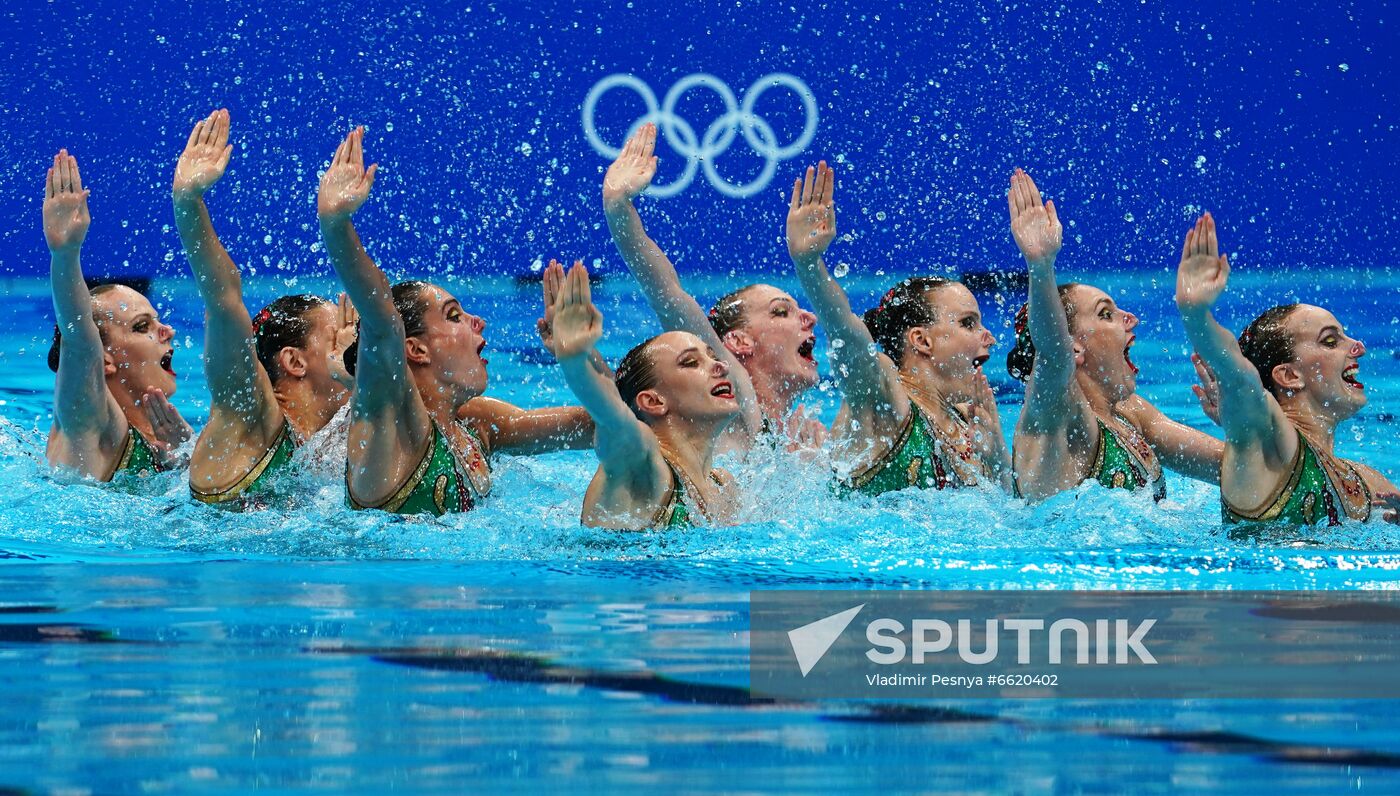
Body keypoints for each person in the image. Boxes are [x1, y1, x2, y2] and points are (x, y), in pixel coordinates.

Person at [316, 128, 592, 516]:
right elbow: (382, 320)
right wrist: (335, 225)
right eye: (454, 316)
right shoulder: (390, 423)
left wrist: (580, 356)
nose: (478, 322)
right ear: (414, 348)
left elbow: (601, 425)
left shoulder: (476, 424)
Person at [787, 161, 1009, 495]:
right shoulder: (884, 400)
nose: (988, 335)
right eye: (968, 323)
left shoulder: (971, 423)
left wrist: (996, 459)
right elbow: (847, 335)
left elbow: (1007, 515)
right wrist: (809, 265)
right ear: (921, 340)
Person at [173, 109, 357, 507]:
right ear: (294, 360)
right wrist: (188, 200)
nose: (353, 344)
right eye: (338, 336)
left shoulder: (334, 443)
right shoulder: (248, 415)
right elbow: (224, 301)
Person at [603, 123, 823, 453]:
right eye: (781, 311)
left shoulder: (795, 440)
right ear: (738, 342)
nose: (809, 317)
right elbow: (668, 295)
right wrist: (618, 209)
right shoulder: (726, 412)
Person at [1006, 169, 1222, 501]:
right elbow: (1052, 351)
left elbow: (1232, 470)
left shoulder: (1131, 414)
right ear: (1074, 345)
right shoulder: (1057, 415)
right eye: (1106, 313)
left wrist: (1238, 423)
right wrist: (1040, 265)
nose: (1130, 319)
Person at [1175, 212, 1400, 527]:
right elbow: (1238, 377)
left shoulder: (1367, 482)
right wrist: (1195, 314)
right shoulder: (1266, 444)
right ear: (1289, 376)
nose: (1358, 346)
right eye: (1331, 341)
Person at [543, 259, 742, 529]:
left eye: (711, 356)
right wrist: (574, 360)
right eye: (691, 362)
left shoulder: (723, 486)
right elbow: (612, 418)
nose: (721, 365)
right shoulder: (642, 466)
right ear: (653, 401)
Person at [44, 149, 191, 481]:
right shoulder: (91, 427)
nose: (167, 330)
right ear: (105, 358)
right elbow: (80, 342)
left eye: (157, 320)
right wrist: (66, 254)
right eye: (142, 326)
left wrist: (186, 450)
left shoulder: (163, 432)